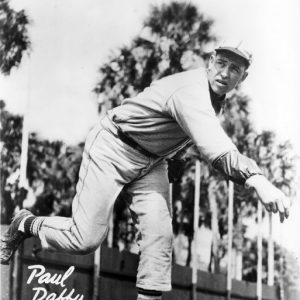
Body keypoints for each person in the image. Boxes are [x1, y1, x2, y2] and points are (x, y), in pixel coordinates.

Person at [1, 41, 290, 300]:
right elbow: (214, 145)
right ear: (211, 61)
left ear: (243, 77)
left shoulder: (217, 101)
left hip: (151, 163)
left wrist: (182, 163)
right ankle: (25, 224)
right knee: (84, 239)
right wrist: (255, 178)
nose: (225, 73)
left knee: (159, 238)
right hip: (114, 147)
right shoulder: (191, 89)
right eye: (221, 63)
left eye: (235, 69)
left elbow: (185, 137)